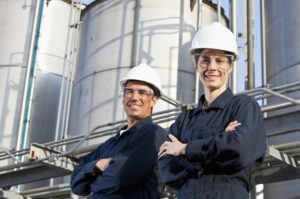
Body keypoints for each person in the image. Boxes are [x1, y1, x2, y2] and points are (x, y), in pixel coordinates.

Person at [158, 22, 267, 199]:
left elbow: (238, 150)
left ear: (230, 66)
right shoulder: (184, 119)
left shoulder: (243, 106)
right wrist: (219, 143)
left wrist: (185, 149)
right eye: (205, 60)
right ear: (196, 64)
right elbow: (167, 171)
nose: (212, 67)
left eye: (220, 61)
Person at [71, 63, 168, 198]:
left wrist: (93, 184)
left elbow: (118, 180)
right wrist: (97, 165)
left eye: (142, 92)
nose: (134, 97)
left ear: (153, 100)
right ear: (123, 98)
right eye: (129, 91)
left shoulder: (154, 134)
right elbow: (77, 185)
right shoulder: (110, 143)